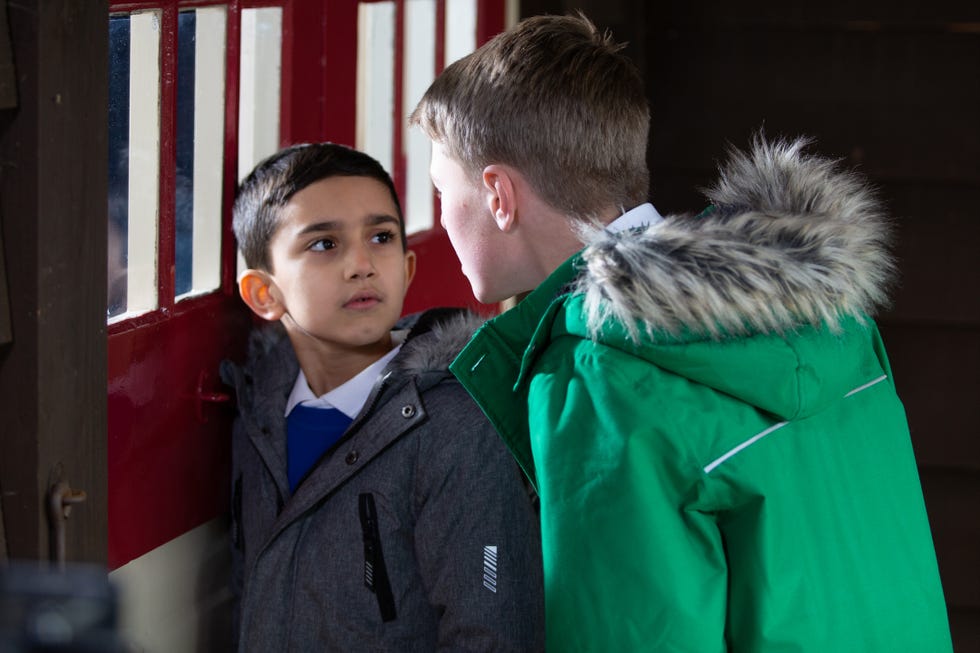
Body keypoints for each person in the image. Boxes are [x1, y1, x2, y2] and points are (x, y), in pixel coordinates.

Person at [409, 12, 953, 652]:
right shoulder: (829, 318)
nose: (443, 216)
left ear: (499, 195)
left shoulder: (602, 373)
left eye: (442, 190)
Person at [221, 142, 543, 652]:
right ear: (265, 294)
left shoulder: (455, 425)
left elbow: (492, 633)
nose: (362, 264)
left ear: (407, 269)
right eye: (324, 243)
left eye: (381, 237)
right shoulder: (258, 420)